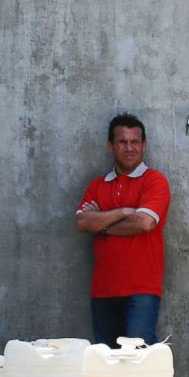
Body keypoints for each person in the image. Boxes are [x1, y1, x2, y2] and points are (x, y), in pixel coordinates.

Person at [75, 113, 171, 346]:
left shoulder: (154, 181)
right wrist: (123, 212)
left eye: (135, 142)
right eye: (122, 141)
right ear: (111, 145)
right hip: (103, 290)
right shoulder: (97, 185)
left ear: (144, 145)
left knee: (139, 357)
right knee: (105, 362)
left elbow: (144, 223)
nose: (129, 148)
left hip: (141, 289)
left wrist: (103, 225)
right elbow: (82, 223)